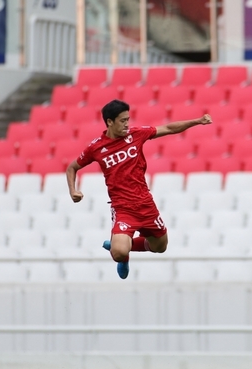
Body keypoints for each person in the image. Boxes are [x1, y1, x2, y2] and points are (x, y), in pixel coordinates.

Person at [66, 99, 213, 279]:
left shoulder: (136, 134)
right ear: (110, 122)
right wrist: (73, 190)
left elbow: (168, 129)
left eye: (128, 119)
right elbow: (72, 167)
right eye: (122, 121)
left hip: (145, 203)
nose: (127, 124)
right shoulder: (96, 147)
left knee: (160, 247)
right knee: (119, 252)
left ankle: (120, 244)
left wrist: (197, 121)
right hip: (123, 207)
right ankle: (122, 254)